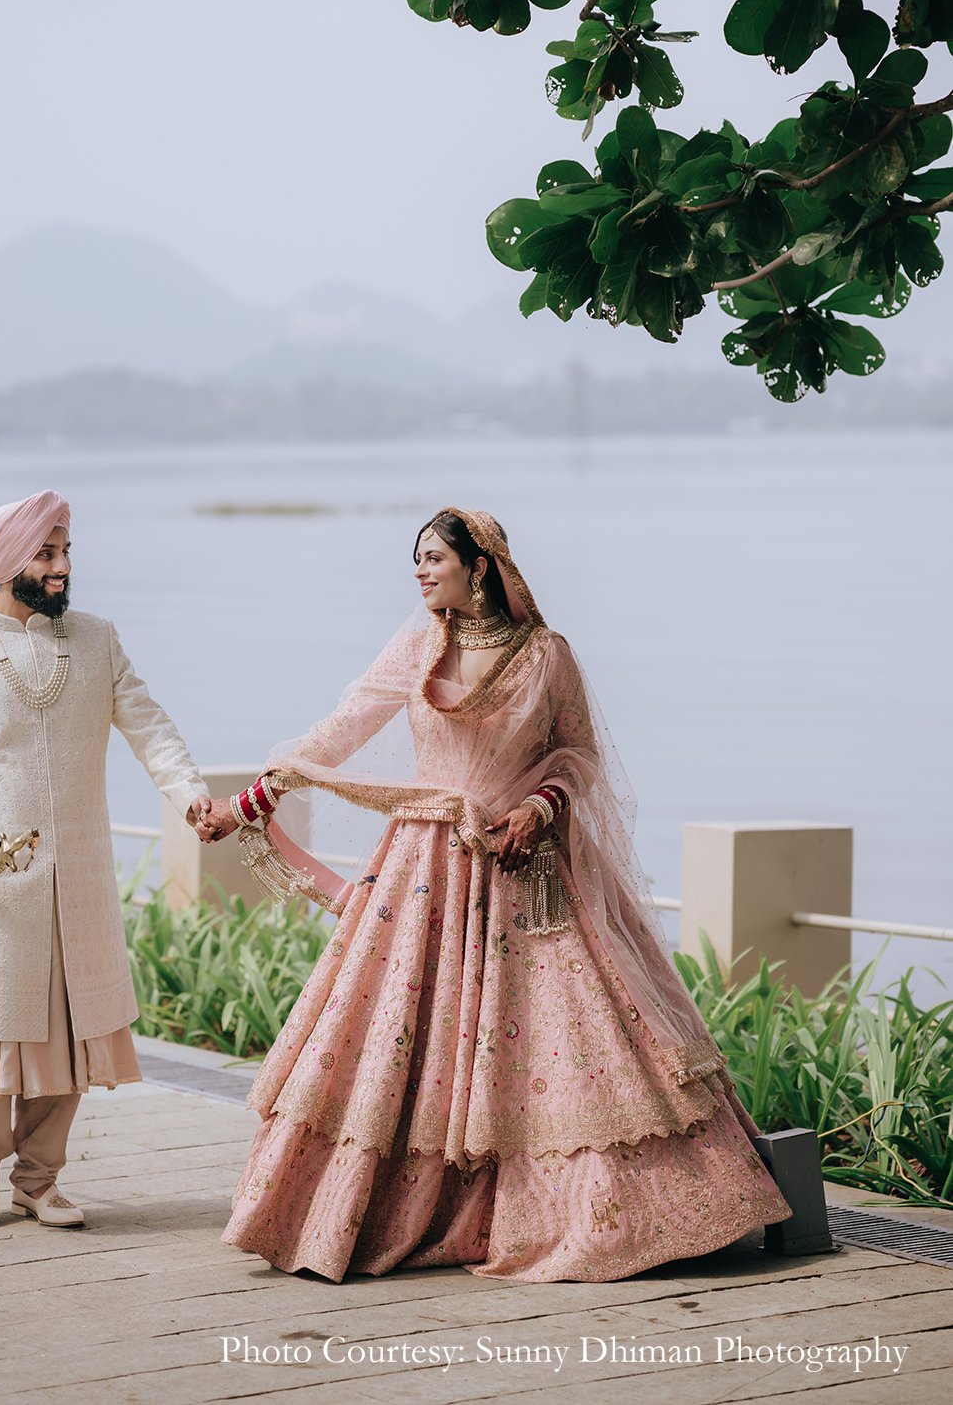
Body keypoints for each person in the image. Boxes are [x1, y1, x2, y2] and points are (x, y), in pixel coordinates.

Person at [198, 509, 790, 1282]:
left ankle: (593, 1215)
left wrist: (538, 808)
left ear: (481, 568)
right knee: (407, 1042)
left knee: (565, 1038)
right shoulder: (415, 651)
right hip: (425, 873)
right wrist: (245, 804)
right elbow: (335, 733)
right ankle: (392, 1212)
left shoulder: (546, 655)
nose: (419, 572)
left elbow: (577, 752)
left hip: (527, 868)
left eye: (434, 557)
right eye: (415, 560)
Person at [0, 489, 211, 1230]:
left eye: (67, 550)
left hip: (78, 875)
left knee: (70, 1030)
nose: (63, 566)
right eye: (47, 553)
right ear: (9, 560)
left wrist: (191, 795)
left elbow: (149, 726)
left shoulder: (97, 641)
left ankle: (39, 1179)